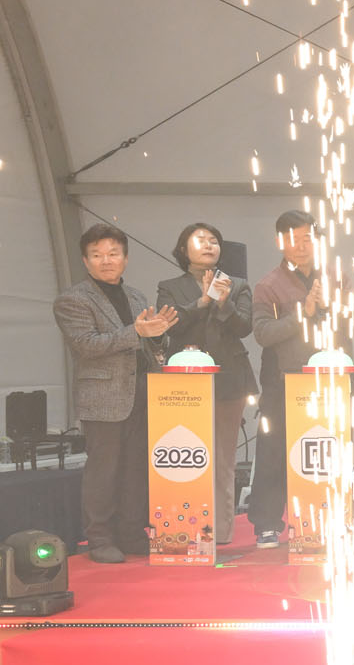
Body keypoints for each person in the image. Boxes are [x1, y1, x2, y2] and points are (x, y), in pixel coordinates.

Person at [54, 225, 178, 563]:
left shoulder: (136, 296)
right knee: (104, 471)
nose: (106, 260)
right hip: (103, 396)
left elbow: (150, 344)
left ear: (125, 258)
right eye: (97, 255)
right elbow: (86, 345)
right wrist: (137, 331)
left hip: (142, 391)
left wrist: (157, 335)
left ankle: (132, 532)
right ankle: (99, 538)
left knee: (136, 468)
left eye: (113, 253)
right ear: (85, 261)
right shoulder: (73, 299)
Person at [156, 222, 255, 545]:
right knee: (187, 453)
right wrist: (200, 302)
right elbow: (169, 326)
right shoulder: (170, 286)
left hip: (229, 379)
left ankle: (221, 531)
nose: (209, 245)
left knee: (223, 457)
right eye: (200, 239)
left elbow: (245, 328)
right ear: (183, 249)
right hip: (183, 383)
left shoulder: (237, 285)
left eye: (214, 240)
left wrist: (224, 303)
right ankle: (187, 528)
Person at [247, 210, 322, 547]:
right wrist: (303, 313)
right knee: (274, 452)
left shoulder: (333, 277)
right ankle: (266, 523)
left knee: (324, 448)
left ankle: (324, 516)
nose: (301, 246)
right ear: (280, 242)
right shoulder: (268, 285)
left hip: (328, 379)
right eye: (293, 240)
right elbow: (263, 333)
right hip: (282, 381)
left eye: (308, 238)